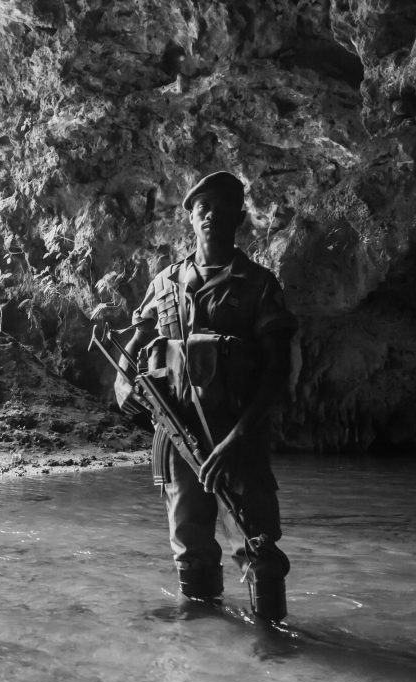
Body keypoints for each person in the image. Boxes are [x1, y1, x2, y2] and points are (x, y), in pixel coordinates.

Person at [114, 171, 297, 621]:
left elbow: (277, 372)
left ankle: (271, 644)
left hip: (239, 437)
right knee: (190, 547)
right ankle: (200, 634)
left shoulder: (259, 285)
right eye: (202, 209)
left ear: (239, 217)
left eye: (221, 207)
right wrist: (122, 384)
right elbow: (134, 344)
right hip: (177, 440)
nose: (211, 215)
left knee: (258, 550)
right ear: (192, 220)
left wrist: (236, 440)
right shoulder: (165, 284)